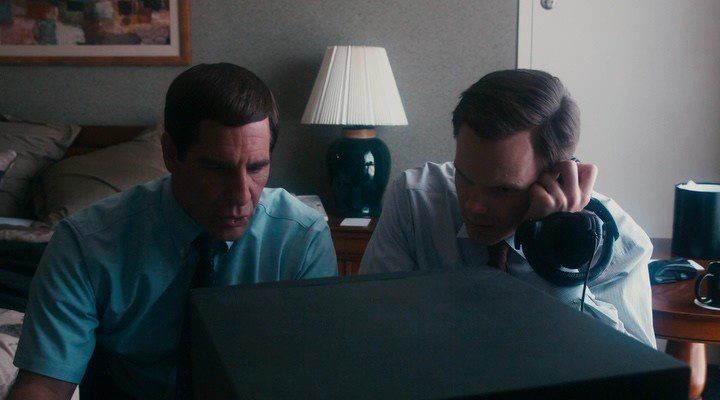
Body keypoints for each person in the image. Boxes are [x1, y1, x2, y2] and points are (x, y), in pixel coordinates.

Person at [9, 63, 338, 399]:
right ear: (170, 153)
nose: (241, 196)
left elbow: (318, 376)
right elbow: (44, 386)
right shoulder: (86, 244)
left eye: (256, 167)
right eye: (217, 169)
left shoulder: (301, 238)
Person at [360, 69, 655, 348]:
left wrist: (559, 268)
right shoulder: (414, 203)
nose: (474, 206)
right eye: (464, 177)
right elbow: (370, 329)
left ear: (556, 177)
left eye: (503, 190)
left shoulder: (622, 245)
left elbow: (640, 376)